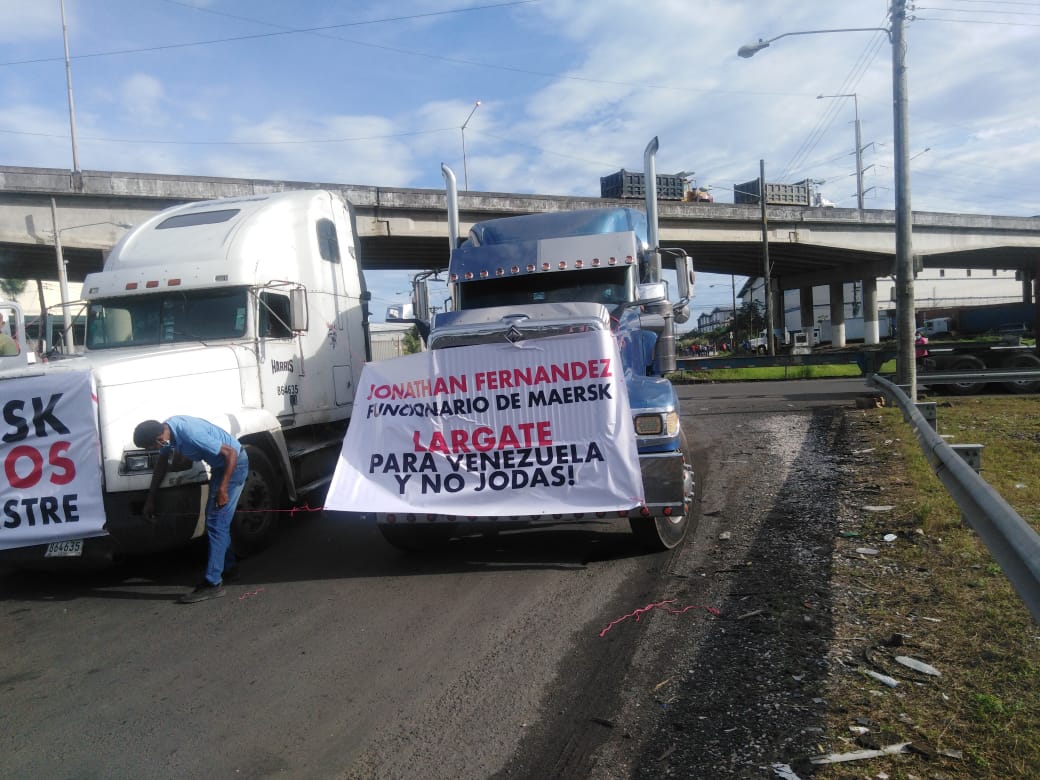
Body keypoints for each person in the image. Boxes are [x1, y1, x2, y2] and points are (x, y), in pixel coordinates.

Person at [134, 416, 249, 603]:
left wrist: (223, 489)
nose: (152, 451)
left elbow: (231, 454)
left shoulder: (190, 434)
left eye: (150, 447)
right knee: (217, 522)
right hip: (220, 467)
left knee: (216, 523)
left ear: (158, 439)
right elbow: (162, 465)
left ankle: (212, 583)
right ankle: (228, 568)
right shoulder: (167, 431)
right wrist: (150, 498)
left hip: (235, 465)